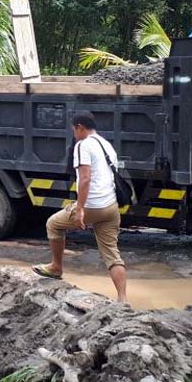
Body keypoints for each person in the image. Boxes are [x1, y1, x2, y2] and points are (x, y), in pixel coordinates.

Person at [32, 111, 128, 304]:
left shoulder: (83, 145)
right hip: (111, 207)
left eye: (74, 130)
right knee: (112, 254)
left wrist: (80, 208)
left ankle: (56, 268)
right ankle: (123, 300)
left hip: (93, 205)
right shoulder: (106, 144)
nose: (74, 135)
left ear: (79, 127)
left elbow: (85, 178)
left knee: (53, 224)